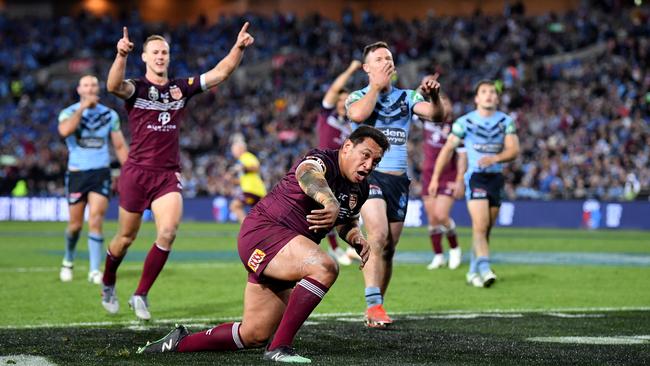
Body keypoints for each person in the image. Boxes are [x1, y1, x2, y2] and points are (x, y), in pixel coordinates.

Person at [136, 126, 389, 363]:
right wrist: (329, 200)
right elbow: (307, 174)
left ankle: (178, 343)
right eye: (365, 155)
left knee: (253, 334)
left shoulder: (360, 189)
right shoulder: (322, 159)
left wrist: (356, 237)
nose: (368, 165)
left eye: (375, 161)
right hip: (265, 233)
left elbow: (346, 221)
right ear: (346, 147)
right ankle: (279, 348)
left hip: (289, 252)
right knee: (325, 267)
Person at [101, 23, 254, 320]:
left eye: (164, 52)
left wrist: (238, 47)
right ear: (144, 57)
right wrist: (120, 55)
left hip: (167, 175)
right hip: (136, 173)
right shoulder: (136, 88)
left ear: (169, 57)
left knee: (168, 232)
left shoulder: (180, 89)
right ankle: (108, 281)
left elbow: (221, 73)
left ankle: (140, 294)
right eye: (155, 52)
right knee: (125, 237)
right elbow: (113, 86)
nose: (160, 56)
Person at [345, 42, 445, 327]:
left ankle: (377, 307)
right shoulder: (357, 96)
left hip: (398, 181)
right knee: (376, 236)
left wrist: (436, 97)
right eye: (378, 58)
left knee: (388, 248)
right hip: (369, 175)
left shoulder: (408, 96)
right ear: (367, 68)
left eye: (388, 58)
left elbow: (438, 115)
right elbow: (358, 116)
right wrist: (376, 87)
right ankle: (373, 304)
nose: (385, 61)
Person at [429, 79, 519, 288]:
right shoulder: (464, 122)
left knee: (485, 230)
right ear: (477, 98)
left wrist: (495, 159)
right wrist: (435, 177)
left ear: (497, 98)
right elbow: (447, 150)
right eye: (484, 92)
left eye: (492, 92)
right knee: (479, 226)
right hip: (476, 178)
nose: (489, 95)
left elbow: (514, 150)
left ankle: (472, 271)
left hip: (496, 178)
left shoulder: (506, 121)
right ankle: (485, 268)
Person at [58, 75, 128, 284]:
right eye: (86, 85)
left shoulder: (109, 115)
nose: (90, 88)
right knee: (75, 226)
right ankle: (68, 260)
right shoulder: (68, 113)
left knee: (96, 220)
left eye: (93, 85)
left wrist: (132, 170)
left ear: (98, 89)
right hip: (77, 173)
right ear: (79, 90)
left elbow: (119, 146)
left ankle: (94, 270)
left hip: (100, 172)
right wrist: (82, 108)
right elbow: (65, 131)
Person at [317, 59, 362, 266]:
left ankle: (347, 247)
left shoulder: (352, 124)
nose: (343, 102)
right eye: (340, 98)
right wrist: (351, 68)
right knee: (327, 207)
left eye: (347, 100)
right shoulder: (327, 114)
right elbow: (335, 88)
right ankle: (334, 249)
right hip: (325, 165)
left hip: (343, 171)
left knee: (348, 210)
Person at [419, 90, 466, 270]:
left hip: (448, 176)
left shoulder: (457, 127)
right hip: (428, 175)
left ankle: (455, 249)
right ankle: (438, 255)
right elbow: (411, 101)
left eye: (446, 102)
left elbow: (462, 156)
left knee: (441, 215)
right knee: (432, 219)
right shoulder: (427, 120)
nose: (443, 106)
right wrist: (423, 89)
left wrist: (460, 179)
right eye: (440, 102)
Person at [228, 135, 267, 223]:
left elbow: (256, 167)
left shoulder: (246, 156)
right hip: (255, 190)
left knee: (234, 206)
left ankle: (246, 228)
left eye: (234, 150)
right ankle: (254, 231)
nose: (233, 152)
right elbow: (245, 178)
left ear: (241, 149)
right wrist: (232, 180)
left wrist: (242, 168)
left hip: (252, 190)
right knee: (260, 216)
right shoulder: (242, 160)